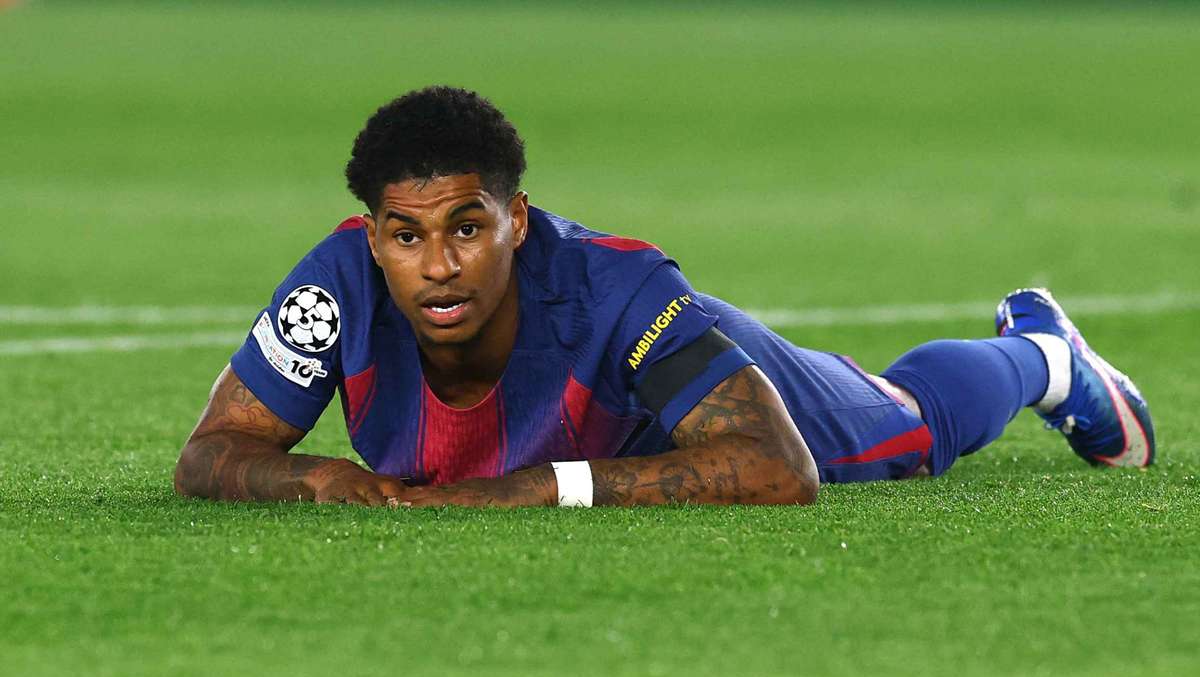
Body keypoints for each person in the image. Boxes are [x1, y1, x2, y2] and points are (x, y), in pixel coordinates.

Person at [174, 86, 1155, 508]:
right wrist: (316, 479)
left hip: (731, 388)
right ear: (374, 236)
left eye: (467, 228)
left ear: (518, 221)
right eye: (407, 236)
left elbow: (778, 469)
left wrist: (546, 486)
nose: (437, 264)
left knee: (908, 424)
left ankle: (1042, 355)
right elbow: (213, 452)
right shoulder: (336, 286)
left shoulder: (615, 291)